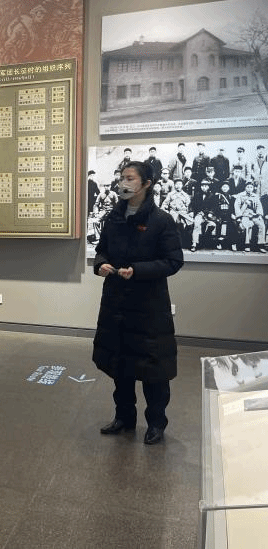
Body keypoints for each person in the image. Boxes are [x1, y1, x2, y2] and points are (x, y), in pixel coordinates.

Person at [93, 161, 183, 446]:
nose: (124, 183)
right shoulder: (114, 217)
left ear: (146, 184)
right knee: (120, 367)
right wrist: (100, 264)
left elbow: (173, 261)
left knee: (153, 370)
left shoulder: (161, 220)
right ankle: (124, 417)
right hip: (116, 304)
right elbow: (101, 250)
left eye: (130, 178)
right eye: (122, 177)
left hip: (148, 307)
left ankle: (156, 423)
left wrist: (138, 270)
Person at [234, 181, 267, 253]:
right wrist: (239, 216)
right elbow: (237, 207)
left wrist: (259, 215)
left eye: (251, 187)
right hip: (244, 214)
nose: (249, 189)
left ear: (253, 188)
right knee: (247, 225)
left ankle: (261, 244)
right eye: (248, 187)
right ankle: (247, 244)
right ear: (245, 188)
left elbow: (259, 206)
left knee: (262, 225)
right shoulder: (240, 195)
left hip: (254, 215)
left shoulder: (255, 196)